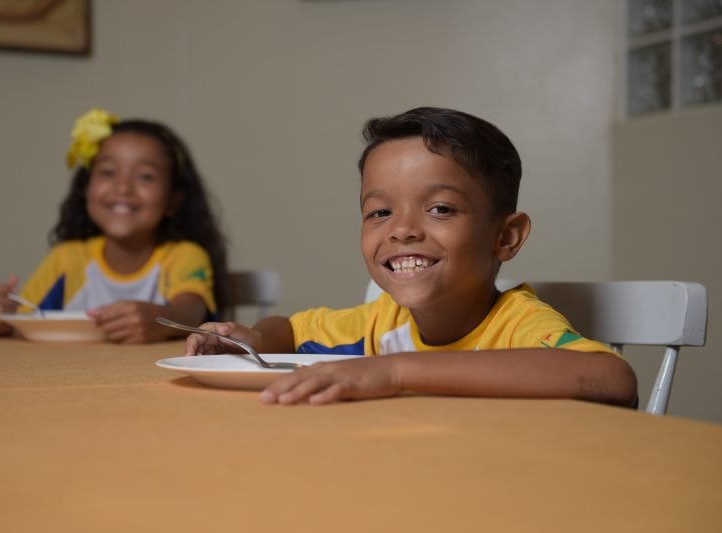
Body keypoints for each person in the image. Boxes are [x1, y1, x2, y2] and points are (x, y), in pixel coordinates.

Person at [184, 106, 638, 407]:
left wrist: (395, 372)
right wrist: (251, 340)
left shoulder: (517, 325)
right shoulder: (378, 324)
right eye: (380, 212)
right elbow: (290, 329)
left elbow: (611, 377)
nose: (401, 230)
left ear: (506, 237)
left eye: (440, 209)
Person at [0, 108, 227, 343]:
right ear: (86, 188)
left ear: (173, 200)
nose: (123, 187)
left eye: (145, 176)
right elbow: (22, 328)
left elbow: (192, 312)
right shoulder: (65, 259)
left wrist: (159, 320)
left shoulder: (184, 256)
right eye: (107, 172)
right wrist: (0, 319)